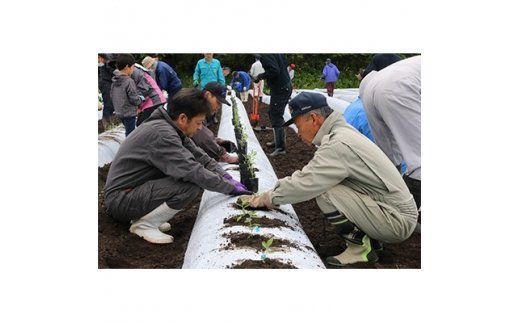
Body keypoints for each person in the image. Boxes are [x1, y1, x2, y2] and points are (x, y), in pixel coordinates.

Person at [238, 92, 418, 266]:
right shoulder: (343, 132)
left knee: (325, 191)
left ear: (314, 119)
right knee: (330, 185)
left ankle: (360, 249)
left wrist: (266, 198)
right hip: (394, 210)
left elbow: (307, 181)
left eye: (299, 126)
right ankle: (371, 239)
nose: (298, 133)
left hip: (396, 220)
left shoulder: (337, 145)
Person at [104, 88, 252, 244]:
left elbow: (200, 157)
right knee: (190, 185)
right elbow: (191, 170)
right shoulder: (162, 134)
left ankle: (147, 217)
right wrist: (229, 187)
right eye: (199, 122)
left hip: (132, 192)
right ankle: (144, 225)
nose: (200, 127)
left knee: (190, 177)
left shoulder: (171, 127)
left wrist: (226, 176)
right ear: (183, 118)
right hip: (121, 200)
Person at [359, 55, 421, 209]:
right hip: (401, 86)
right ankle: (405, 216)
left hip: (371, 86)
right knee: (420, 161)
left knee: (389, 160)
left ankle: (380, 209)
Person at [253, 54, 292, 156]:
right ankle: (277, 141)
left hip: (281, 88)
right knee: (272, 113)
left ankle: (280, 147)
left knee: (276, 115)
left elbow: (274, 70)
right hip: (281, 87)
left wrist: (260, 76)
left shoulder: (266, 54)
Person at [191, 82, 239, 164]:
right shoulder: (193, 108)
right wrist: (224, 156)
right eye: (218, 102)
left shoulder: (199, 106)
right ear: (208, 95)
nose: (218, 107)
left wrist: (218, 141)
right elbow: (201, 137)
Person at [110, 54, 144, 137]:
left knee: (128, 131)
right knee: (130, 134)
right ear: (127, 67)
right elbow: (134, 99)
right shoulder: (129, 81)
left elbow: (111, 96)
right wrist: (140, 99)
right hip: (129, 113)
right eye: (132, 67)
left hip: (119, 111)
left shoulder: (114, 81)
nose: (133, 69)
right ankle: (130, 149)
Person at [98, 54, 115, 128]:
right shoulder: (104, 64)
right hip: (106, 84)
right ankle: (107, 124)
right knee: (108, 104)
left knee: (110, 104)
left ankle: (109, 123)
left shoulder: (106, 63)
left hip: (108, 84)